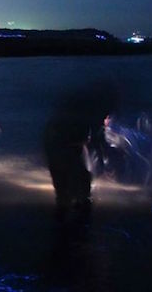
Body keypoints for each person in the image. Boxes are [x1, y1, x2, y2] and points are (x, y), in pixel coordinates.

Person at [43, 81, 118, 217]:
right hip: (62, 145)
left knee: (67, 184)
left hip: (60, 145)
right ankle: (76, 212)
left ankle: (69, 213)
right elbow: (96, 139)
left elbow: (94, 139)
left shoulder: (77, 114)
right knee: (74, 182)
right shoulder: (87, 116)